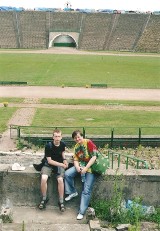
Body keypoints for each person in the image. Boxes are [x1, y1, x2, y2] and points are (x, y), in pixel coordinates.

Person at [64, 130, 99, 220]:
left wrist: (86, 168)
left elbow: (94, 157)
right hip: (81, 166)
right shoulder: (76, 147)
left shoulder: (89, 143)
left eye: (79, 137)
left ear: (82, 136)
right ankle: (72, 192)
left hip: (90, 167)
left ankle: (81, 211)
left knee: (86, 190)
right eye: (75, 138)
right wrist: (77, 167)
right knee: (67, 174)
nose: (77, 139)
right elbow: (75, 159)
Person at [38, 129, 68, 212]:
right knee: (44, 178)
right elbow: (49, 161)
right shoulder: (48, 146)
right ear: (53, 137)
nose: (57, 138)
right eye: (55, 136)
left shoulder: (62, 144)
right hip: (49, 165)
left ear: (61, 137)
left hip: (59, 164)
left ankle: (61, 201)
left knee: (60, 180)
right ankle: (44, 198)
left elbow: (62, 153)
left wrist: (65, 160)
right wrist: (62, 164)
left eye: (59, 136)